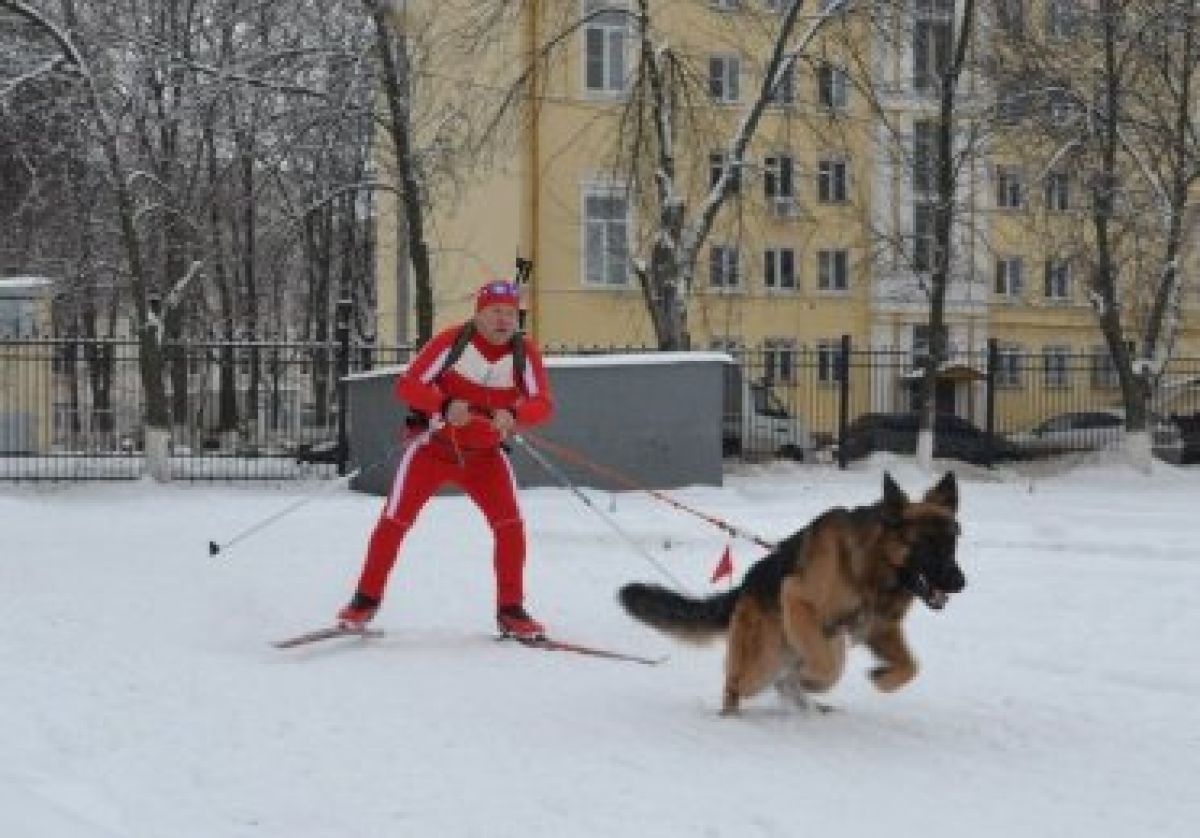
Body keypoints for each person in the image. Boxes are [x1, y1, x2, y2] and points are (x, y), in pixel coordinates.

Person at [336, 280, 555, 640]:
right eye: (495, 312)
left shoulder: (523, 352)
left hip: (485, 456)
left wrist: (515, 414)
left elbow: (543, 403)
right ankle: (364, 601)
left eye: (510, 313)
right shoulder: (453, 341)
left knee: (510, 526)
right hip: (432, 449)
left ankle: (511, 610)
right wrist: (443, 404)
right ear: (479, 314)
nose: (504, 320)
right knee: (394, 521)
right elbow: (407, 385)